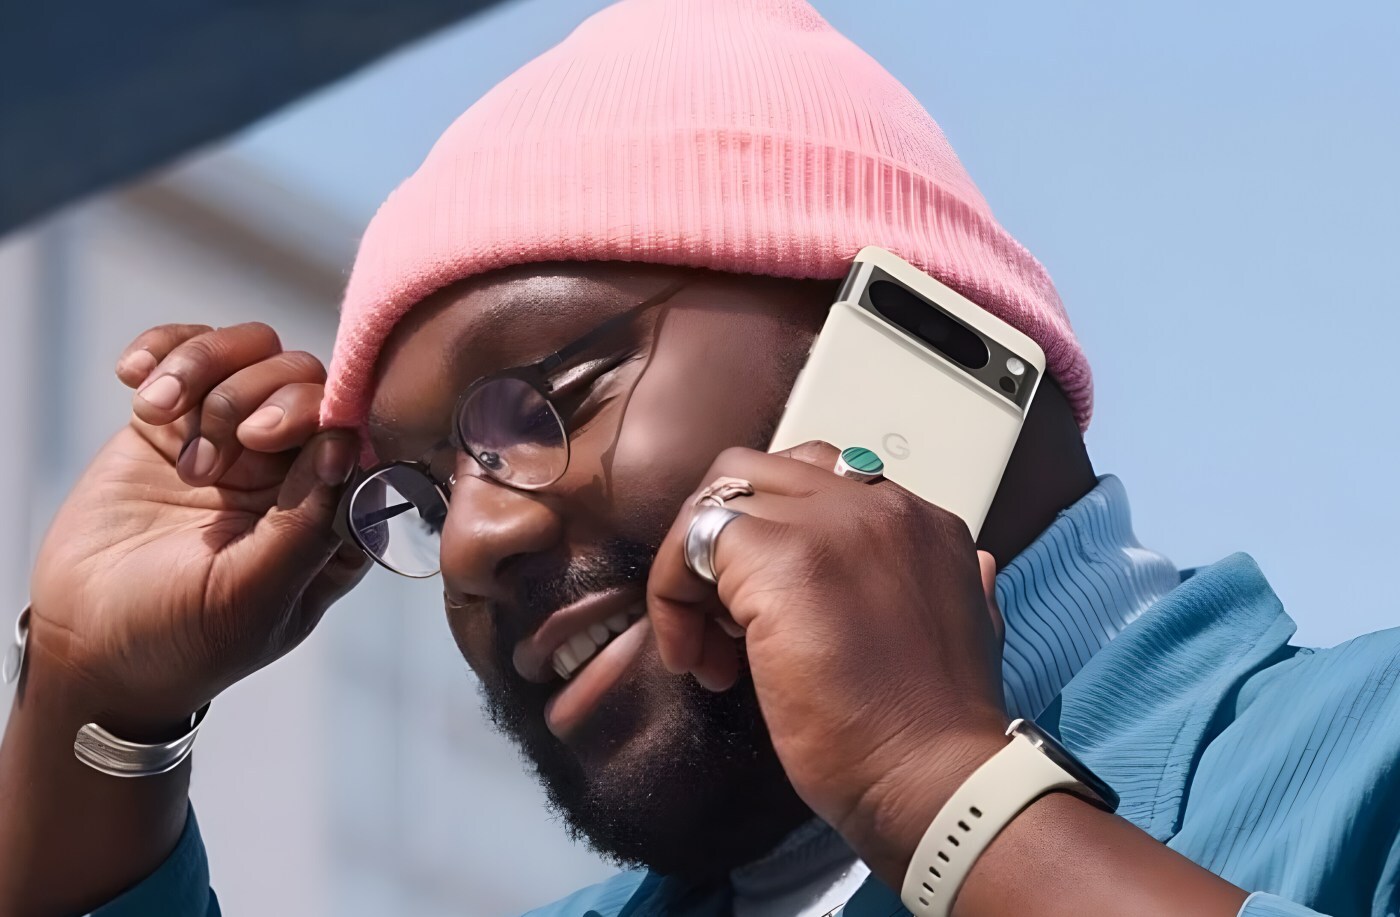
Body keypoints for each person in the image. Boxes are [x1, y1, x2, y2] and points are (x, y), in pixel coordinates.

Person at [2, 1, 1398, 915]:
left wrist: (942, 790)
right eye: (424, 493)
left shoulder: (1364, 759)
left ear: (902, 339)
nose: (471, 541)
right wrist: (95, 704)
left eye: (544, 401)